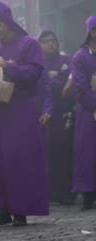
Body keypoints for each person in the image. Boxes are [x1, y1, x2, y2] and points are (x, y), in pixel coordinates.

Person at [0, 0, 48, 227]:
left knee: (19, 159)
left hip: (21, 112)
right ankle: (0, 209)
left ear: (8, 23)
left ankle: (20, 209)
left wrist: (9, 67)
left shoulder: (29, 44)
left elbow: (34, 72)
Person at [38, 30, 74, 205]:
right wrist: (53, 78)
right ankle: (50, 191)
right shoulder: (38, 64)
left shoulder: (66, 61)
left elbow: (67, 82)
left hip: (63, 112)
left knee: (65, 151)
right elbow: (40, 85)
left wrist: (54, 80)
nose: (50, 44)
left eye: (53, 41)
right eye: (45, 42)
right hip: (44, 114)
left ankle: (66, 192)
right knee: (47, 152)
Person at [71, 15, 96, 211]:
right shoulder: (80, 56)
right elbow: (80, 88)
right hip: (88, 111)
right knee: (88, 152)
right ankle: (87, 194)